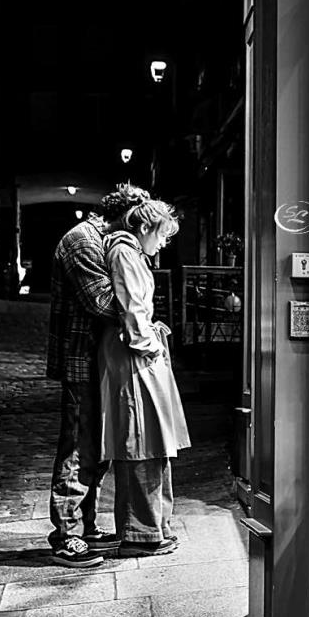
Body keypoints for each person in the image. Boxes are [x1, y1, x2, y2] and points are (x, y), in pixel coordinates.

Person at [46, 184, 148, 568]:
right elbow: (104, 302)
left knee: (97, 447)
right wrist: (137, 297)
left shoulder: (107, 241)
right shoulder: (83, 242)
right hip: (82, 360)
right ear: (128, 215)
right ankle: (66, 535)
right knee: (78, 447)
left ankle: (85, 526)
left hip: (101, 361)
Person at [98, 189, 191, 556]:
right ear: (146, 228)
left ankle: (152, 527)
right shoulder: (124, 253)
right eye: (162, 234)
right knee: (141, 438)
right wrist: (150, 344)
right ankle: (142, 532)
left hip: (135, 354)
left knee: (149, 438)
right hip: (134, 358)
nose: (163, 243)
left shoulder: (130, 252)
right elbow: (133, 310)